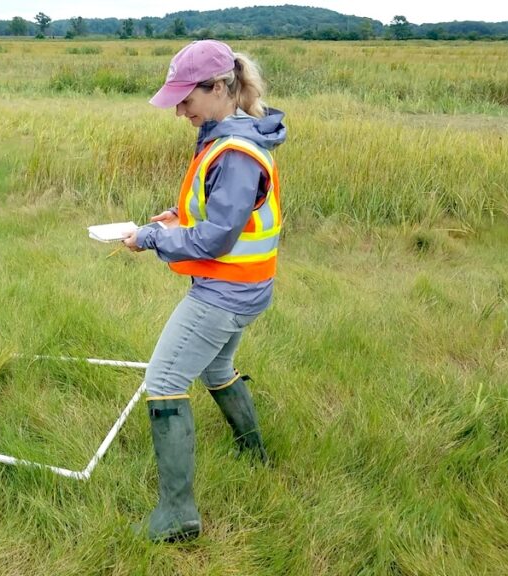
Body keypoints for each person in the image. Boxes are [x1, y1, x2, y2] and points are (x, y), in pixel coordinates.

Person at [122, 39, 287, 543]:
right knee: (216, 367)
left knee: (164, 379)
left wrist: (152, 237)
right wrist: (176, 219)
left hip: (225, 293)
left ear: (218, 88)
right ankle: (253, 453)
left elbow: (218, 237)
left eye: (185, 98)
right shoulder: (230, 137)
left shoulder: (234, 152)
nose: (179, 110)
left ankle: (178, 516)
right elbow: (219, 216)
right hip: (248, 289)